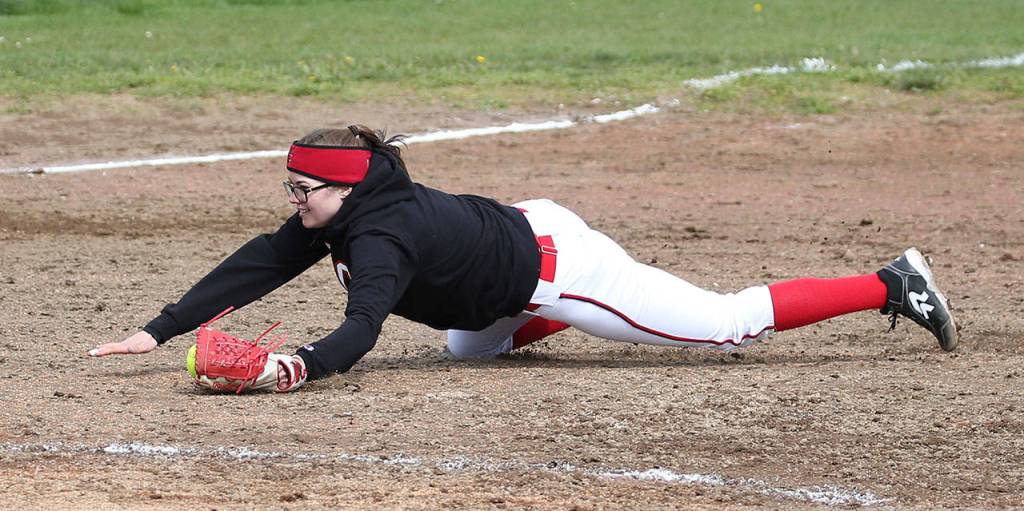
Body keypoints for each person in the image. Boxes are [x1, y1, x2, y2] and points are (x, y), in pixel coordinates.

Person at [88, 125, 958, 392]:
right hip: (515, 239)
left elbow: (363, 327)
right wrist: (158, 329)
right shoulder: (345, 213)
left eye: (303, 188)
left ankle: (891, 281)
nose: (293, 200)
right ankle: (541, 315)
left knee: (723, 324)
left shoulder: (381, 237)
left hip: (565, 264)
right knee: (467, 345)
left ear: (346, 188)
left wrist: (298, 365)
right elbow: (259, 263)